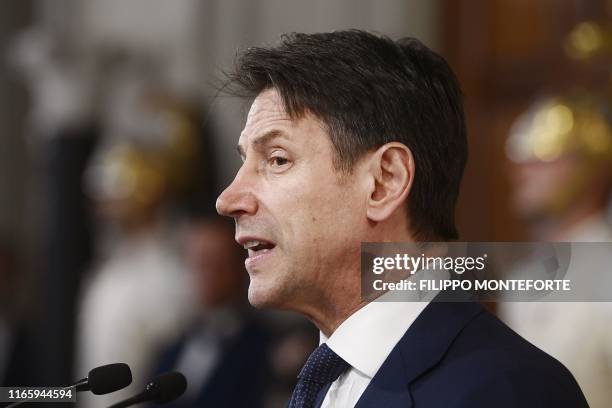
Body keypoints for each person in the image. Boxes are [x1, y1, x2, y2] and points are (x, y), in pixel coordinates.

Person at [216, 30, 589, 407]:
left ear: (384, 182)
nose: (228, 200)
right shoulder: (319, 382)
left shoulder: (510, 392)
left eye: (277, 159)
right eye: (243, 160)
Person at [500, 91, 612, 408]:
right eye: (520, 158)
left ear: (591, 164)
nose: (521, 169)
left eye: (544, 156)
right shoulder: (521, 277)